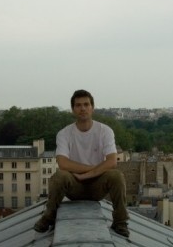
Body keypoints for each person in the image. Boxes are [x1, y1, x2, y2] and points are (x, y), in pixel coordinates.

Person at [34, 89, 130, 237]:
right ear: (73, 109)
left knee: (117, 176)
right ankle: (49, 216)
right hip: (75, 185)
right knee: (59, 176)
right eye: (78, 105)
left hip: (97, 184)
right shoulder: (64, 133)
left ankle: (120, 222)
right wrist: (93, 169)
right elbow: (63, 164)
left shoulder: (105, 131)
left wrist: (88, 174)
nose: (83, 108)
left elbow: (112, 162)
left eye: (86, 104)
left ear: (93, 107)